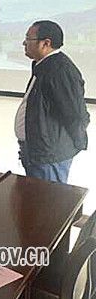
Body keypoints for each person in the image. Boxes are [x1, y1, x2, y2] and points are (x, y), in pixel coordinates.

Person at [15, 20, 89, 184]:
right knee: (36, 196)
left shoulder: (60, 70)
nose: (24, 43)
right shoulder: (44, 65)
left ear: (46, 43)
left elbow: (76, 115)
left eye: (28, 39)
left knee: (48, 198)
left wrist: (68, 145)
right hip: (39, 152)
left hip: (49, 156)